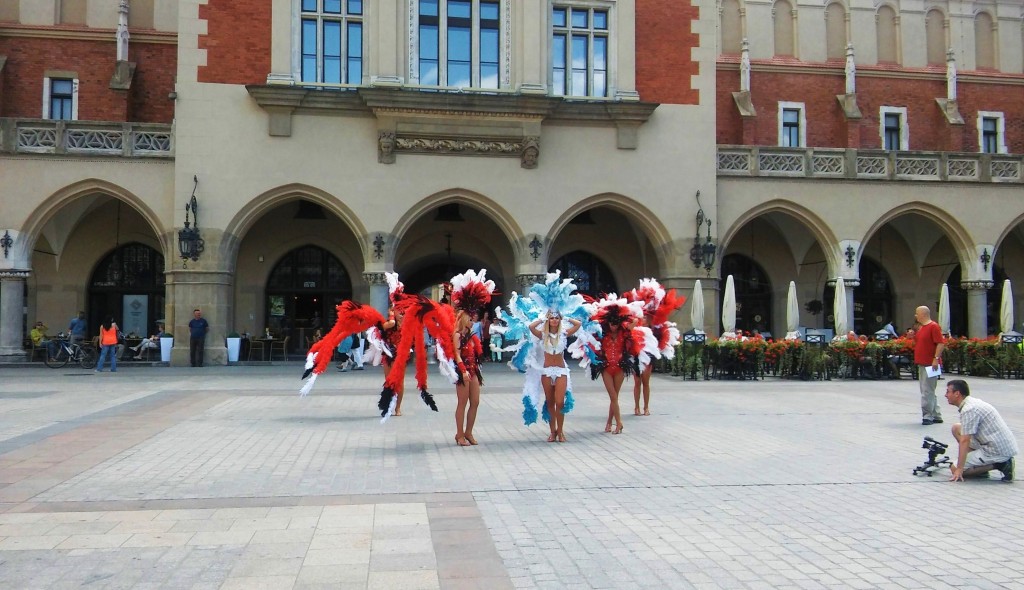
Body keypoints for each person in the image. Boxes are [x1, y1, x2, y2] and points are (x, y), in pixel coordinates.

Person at [449, 269, 496, 446]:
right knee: (462, 403)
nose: (472, 321)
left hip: (473, 369)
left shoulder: (471, 334)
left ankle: (469, 432)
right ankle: (459, 434)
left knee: (475, 401)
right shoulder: (457, 335)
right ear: (463, 319)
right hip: (462, 370)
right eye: (470, 319)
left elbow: (476, 353)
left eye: (472, 319)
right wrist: (463, 371)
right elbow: (457, 354)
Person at [945, 379, 1017, 482]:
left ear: (957, 394)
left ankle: (1002, 464)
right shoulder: (970, 402)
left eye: (948, 392)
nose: (945, 395)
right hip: (995, 442)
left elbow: (965, 440)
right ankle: (981, 468)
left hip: (996, 450)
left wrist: (959, 468)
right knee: (956, 428)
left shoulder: (968, 409)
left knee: (954, 468)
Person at [529, 312, 582, 443]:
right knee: (550, 402)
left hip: (561, 371)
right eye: (551, 318)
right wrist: (542, 319)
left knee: (560, 402)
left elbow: (578, 324)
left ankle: (561, 431)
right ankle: (553, 432)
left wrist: (566, 317)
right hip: (546, 371)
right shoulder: (543, 335)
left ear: (560, 320)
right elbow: (531, 327)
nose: (554, 320)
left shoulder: (563, 334)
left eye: (556, 318)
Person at [914, 305, 945, 425]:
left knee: (927, 390)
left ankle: (927, 415)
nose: (915, 316)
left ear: (923, 314)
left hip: (931, 364)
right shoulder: (922, 327)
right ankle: (936, 414)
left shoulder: (933, 326)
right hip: (923, 363)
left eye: (917, 313)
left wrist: (935, 358)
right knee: (928, 389)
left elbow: (940, 343)